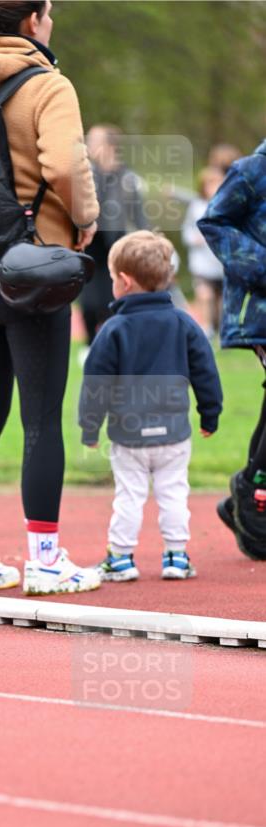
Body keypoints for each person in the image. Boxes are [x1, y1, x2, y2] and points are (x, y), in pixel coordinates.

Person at [0, 0, 100, 596]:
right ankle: (45, 559)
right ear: (33, 20)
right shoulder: (49, 84)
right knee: (40, 420)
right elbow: (65, 164)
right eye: (49, 12)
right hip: (34, 273)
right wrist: (86, 216)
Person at [78, 231, 223, 581]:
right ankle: (176, 556)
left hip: (129, 434)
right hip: (174, 431)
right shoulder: (184, 323)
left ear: (124, 281)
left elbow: (96, 383)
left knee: (129, 495)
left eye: (112, 278)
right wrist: (210, 414)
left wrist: (90, 427)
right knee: (174, 493)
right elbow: (205, 371)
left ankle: (121, 559)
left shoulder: (113, 328)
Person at [198, 139, 266, 559]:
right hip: (260, 308)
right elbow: (214, 222)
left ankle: (242, 493)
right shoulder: (252, 171)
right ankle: (254, 494)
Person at [80, 124, 149, 347]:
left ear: (110, 145)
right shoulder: (86, 174)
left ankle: (114, 345)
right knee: (89, 303)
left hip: (116, 246)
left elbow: (139, 216)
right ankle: (90, 344)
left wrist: (149, 241)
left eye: (94, 140)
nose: (88, 145)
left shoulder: (128, 177)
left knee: (113, 301)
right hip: (90, 245)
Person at [181, 166, 225, 339]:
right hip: (202, 263)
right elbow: (187, 231)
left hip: (221, 263)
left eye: (217, 183)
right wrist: (194, 238)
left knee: (221, 300)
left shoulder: (227, 206)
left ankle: (220, 329)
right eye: (210, 184)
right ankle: (207, 329)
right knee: (205, 295)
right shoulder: (196, 207)